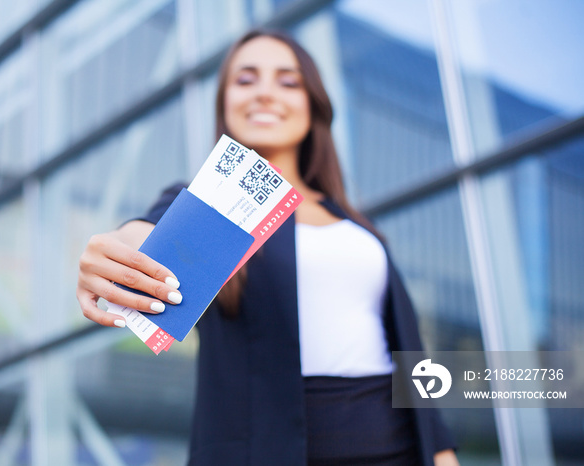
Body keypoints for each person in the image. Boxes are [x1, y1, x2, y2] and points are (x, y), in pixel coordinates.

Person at [77, 29, 459, 466]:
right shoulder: (209, 210)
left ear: (313, 103)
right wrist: (116, 250)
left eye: (288, 81)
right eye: (245, 80)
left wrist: (442, 451)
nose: (264, 93)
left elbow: (406, 347)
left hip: (397, 444)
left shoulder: (355, 223)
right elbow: (146, 236)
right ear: (224, 104)